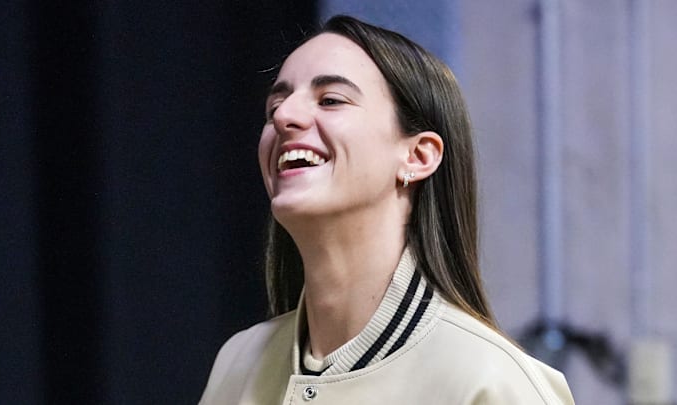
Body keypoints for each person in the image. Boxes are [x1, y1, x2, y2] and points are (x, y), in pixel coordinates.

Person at [200, 15, 575, 404]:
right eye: (275, 105)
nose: (283, 116)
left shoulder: (491, 380)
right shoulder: (238, 362)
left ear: (417, 155)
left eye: (330, 99)